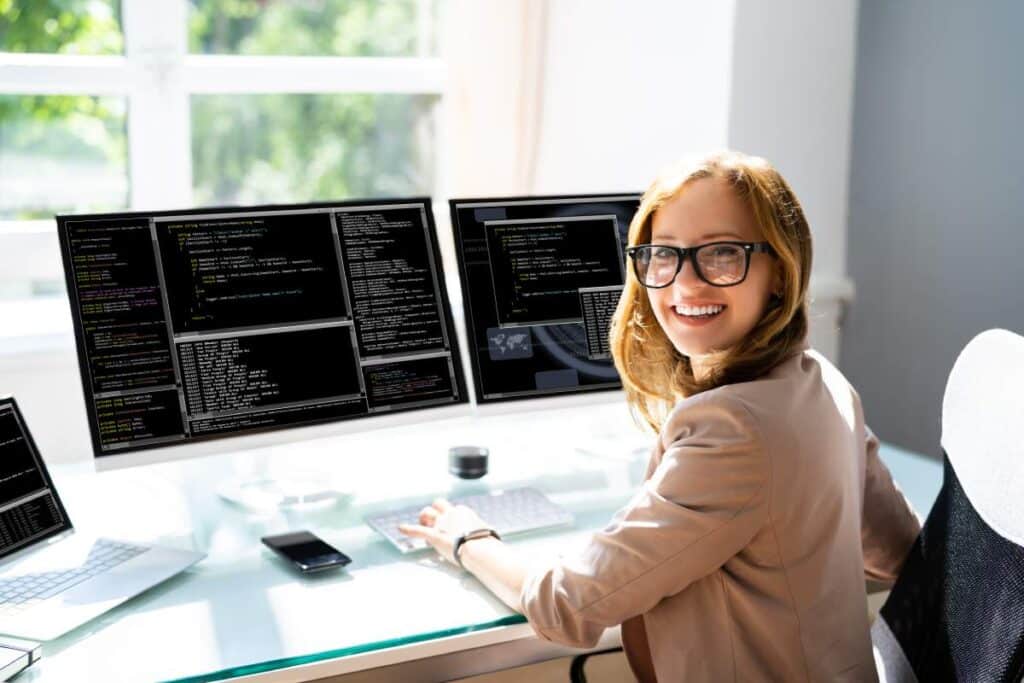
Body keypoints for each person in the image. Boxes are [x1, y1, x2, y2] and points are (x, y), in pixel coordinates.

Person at [399, 150, 921, 681]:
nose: (685, 285)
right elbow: (899, 554)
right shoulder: (822, 383)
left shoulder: (734, 429)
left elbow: (567, 605)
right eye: (664, 255)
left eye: (722, 253)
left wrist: (468, 537)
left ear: (781, 272)